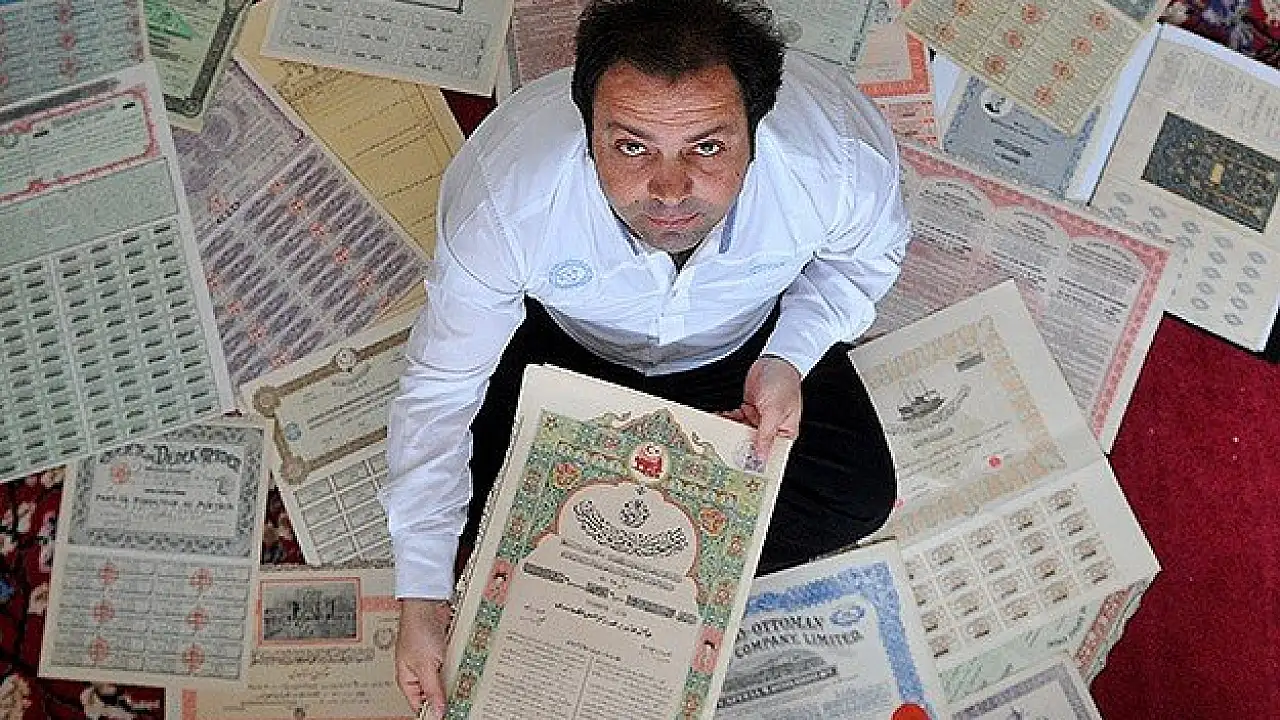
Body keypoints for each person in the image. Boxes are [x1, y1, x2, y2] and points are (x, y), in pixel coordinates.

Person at [380, 0, 910, 714]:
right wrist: (419, 598)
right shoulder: (507, 195)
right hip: (564, 347)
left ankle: (623, 577)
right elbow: (442, 390)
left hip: (748, 348)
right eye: (632, 147)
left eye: (707, 147)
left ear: (757, 127)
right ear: (587, 127)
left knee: (856, 497)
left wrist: (789, 357)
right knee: (465, 532)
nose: (668, 191)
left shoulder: (839, 158)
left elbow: (862, 265)